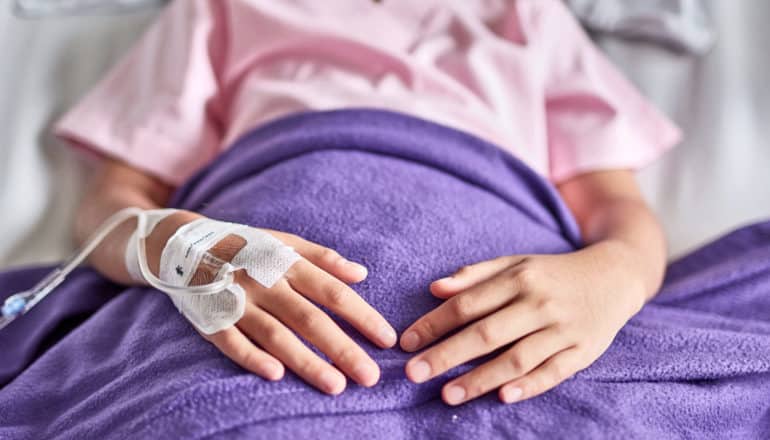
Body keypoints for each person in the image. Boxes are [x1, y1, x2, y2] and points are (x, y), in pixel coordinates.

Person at [53, 0, 681, 406]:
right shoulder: (219, 10)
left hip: (501, 273)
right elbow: (110, 206)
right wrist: (177, 247)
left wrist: (615, 277)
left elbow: (616, 211)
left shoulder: (528, 16)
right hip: (253, 280)